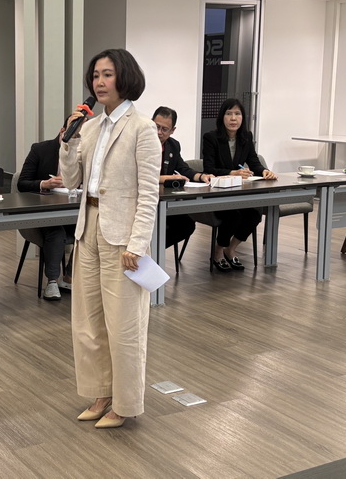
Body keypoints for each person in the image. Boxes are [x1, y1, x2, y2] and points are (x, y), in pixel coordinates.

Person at [59, 48, 161, 429]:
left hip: (122, 236)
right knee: (88, 323)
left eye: (107, 74)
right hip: (89, 227)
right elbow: (72, 181)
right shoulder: (88, 128)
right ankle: (101, 392)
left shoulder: (142, 128)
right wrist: (67, 141)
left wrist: (138, 243)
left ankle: (125, 402)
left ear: (125, 78)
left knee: (124, 325)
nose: (99, 82)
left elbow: (149, 193)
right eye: (95, 75)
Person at [202, 98, 277, 272]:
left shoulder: (246, 137)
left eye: (237, 114)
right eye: (229, 114)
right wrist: (232, 172)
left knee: (254, 214)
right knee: (233, 215)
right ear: (222, 117)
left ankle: (231, 249)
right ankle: (218, 252)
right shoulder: (211, 138)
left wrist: (265, 171)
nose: (233, 118)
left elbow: (254, 162)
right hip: (216, 193)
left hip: (237, 192)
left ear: (243, 117)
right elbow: (209, 169)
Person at [17, 124, 74, 301]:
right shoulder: (40, 149)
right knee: (56, 231)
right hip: (42, 212)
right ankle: (52, 281)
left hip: (71, 210)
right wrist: (44, 184)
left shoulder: (82, 153)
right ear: (62, 131)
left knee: (89, 229)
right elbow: (22, 183)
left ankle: (70, 276)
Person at [153, 105, 213, 249]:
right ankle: (150, 252)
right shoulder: (141, 142)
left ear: (172, 130)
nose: (159, 132)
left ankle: (154, 252)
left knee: (186, 225)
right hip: (142, 200)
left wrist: (201, 176)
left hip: (164, 200)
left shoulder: (173, 145)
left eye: (164, 129)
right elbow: (138, 174)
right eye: (156, 127)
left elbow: (183, 168)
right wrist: (167, 178)